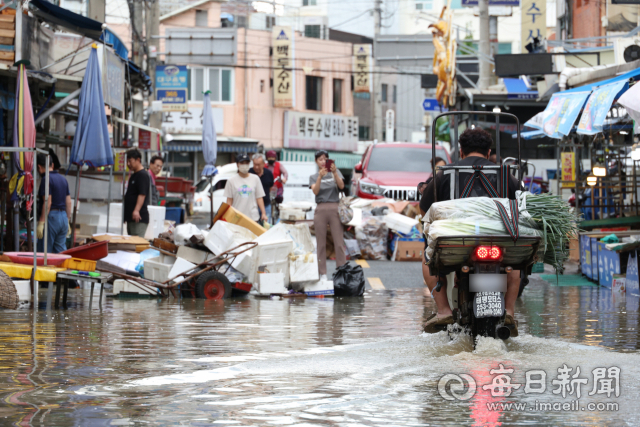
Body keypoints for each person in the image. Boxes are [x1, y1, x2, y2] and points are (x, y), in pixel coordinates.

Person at [419, 128, 521, 336]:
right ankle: (509, 310)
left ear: (461, 152)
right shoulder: (504, 173)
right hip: (497, 241)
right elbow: (521, 207)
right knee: (514, 263)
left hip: (455, 241)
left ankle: (443, 311)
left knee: (427, 258)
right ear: (488, 150)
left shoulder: (445, 173)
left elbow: (425, 209)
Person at [310, 150, 346, 281]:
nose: (323, 162)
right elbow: (315, 191)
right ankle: (322, 273)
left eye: (325, 159)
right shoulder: (314, 177)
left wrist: (335, 172)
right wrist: (320, 177)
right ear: (316, 161)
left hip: (335, 207)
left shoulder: (336, 172)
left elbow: (341, 186)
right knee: (321, 243)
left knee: (338, 242)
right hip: (320, 208)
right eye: (320, 159)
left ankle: (341, 271)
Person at [36, 154, 72, 253]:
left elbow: (48, 202)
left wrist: (41, 222)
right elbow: (68, 202)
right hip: (63, 218)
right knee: (60, 253)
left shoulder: (46, 179)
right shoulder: (63, 179)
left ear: (39, 167)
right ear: (52, 164)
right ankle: (62, 269)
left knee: (44, 254)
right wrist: (67, 221)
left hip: (52, 218)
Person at [224, 153, 268, 223]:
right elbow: (229, 200)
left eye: (246, 163)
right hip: (237, 217)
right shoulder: (231, 180)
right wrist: (227, 215)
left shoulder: (255, 178)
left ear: (249, 164)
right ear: (237, 165)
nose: (244, 165)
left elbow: (259, 197)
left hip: (253, 218)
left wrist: (263, 213)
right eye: (242, 163)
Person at [124, 149, 150, 238]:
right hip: (131, 218)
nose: (128, 164)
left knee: (136, 244)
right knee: (131, 245)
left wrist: (136, 210)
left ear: (138, 160)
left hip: (138, 218)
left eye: (130, 161)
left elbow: (142, 194)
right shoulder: (134, 175)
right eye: (127, 161)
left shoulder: (142, 175)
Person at [249, 153, 275, 223]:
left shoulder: (269, 173)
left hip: (266, 205)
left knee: (266, 227)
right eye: (255, 164)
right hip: (252, 206)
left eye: (259, 164)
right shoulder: (249, 173)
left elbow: (270, 187)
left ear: (263, 164)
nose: (256, 167)